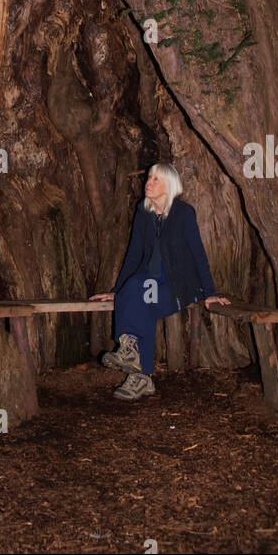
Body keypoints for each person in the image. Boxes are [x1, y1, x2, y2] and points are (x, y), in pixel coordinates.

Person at [89, 162, 230, 400]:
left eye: (156, 179)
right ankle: (134, 359)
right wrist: (117, 291)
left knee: (141, 299)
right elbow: (134, 254)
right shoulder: (143, 212)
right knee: (134, 289)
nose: (149, 182)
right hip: (150, 281)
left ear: (169, 185)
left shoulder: (184, 213)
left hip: (178, 284)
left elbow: (198, 253)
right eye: (149, 177)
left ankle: (139, 371)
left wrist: (209, 292)